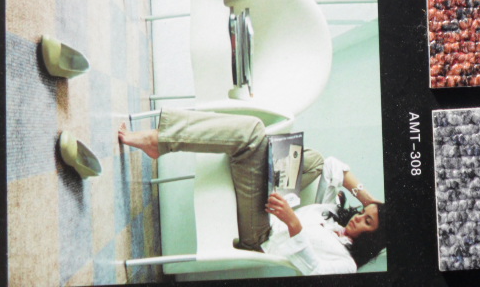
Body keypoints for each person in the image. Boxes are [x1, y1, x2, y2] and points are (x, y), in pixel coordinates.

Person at [119, 109, 385, 275]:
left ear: (373, 239)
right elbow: (332, 166)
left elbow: (315, 271)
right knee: (315, 160)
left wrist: (293, 223)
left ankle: (159, 141)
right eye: (364, 213)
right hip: (274, 207)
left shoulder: (347, 264)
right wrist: (369, 200)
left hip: (263, 235)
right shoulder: (335, 214)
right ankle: (162, 140)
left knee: (252, 132)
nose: (358, 218)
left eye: (367, 222)